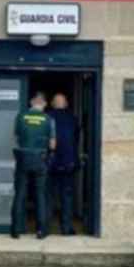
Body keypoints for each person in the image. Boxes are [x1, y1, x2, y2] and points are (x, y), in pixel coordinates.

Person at [10, 92, 56, 239]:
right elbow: (52, 144)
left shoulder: (21, 116)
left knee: (20, 194)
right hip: (40, 158)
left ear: (31, 102)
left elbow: (16, 137)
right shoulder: (49, 119)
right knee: (40, 195)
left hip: (23, 158)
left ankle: (15, 230)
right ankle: (41, 231)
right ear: (44, 104)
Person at [47, 93, 80, 235]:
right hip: (68, 162)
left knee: (48, 196)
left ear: (52, 104)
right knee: (67, 197)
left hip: (50, 163)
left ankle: (45, 227)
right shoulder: (73, 119)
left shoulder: (47, 117)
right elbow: (76, 139)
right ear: (66, 104)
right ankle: (66, 228)